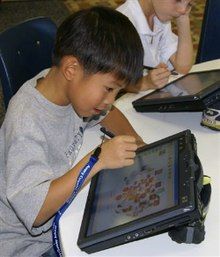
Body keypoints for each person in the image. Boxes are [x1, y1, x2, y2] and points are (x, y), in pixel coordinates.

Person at [0, 6, 145, 257]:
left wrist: (139, 143)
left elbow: (108, 114)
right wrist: (95, 160)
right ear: (71, 69)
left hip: (62, 213)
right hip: (28, 245)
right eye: (109, 89)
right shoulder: (26, 121)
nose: (110, 100)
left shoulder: (65, 89)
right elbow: (36, 213)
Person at [117, 0, 194, 91]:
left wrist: (183, 18)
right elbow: (113, 80)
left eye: (189, 4)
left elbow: (183, 67)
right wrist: (145, 83)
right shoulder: (122, 23)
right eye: (178, 0)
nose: (183, 9)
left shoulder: (159, 16)